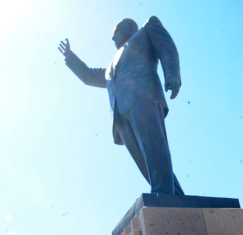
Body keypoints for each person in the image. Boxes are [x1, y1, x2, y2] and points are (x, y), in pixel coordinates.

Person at [59, 16, 184, 195]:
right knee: (146, 161)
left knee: (155, 148)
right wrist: (70, 57)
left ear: (130, 29)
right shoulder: (110, 68)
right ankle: (175, 196)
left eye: (116, 32)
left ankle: (163, 193)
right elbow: (88, 76)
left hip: (143, 97)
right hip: (120, 115)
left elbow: (167, 46)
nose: (112, 38)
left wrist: (172, 74)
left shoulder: (145, 30)